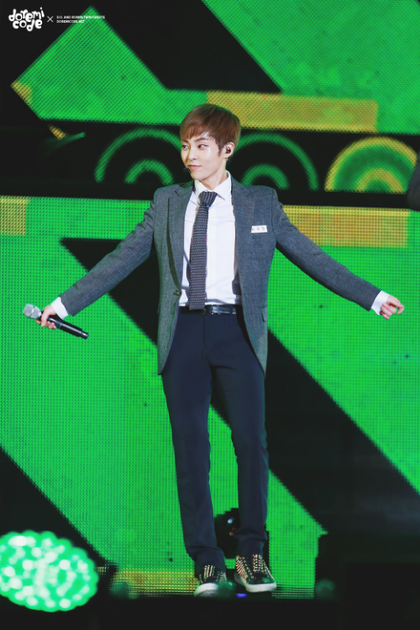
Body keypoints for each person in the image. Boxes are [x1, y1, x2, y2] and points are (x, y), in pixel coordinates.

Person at [39, 104, 404, 596]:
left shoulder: (259, 202)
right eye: (185, 146)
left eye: (202, 146)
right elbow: (121, 259)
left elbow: (310, 255)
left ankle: (252, 554)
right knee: (191, 449)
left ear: (227, 150)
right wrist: (64, 304)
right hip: (184, 332)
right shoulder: (167, 201)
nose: (190, 155)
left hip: (237, 331)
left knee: (251, 443)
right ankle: (207, 561)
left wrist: (371, 296)